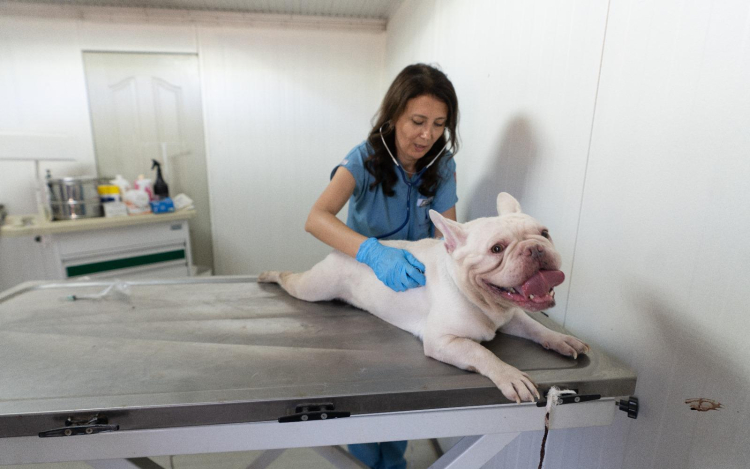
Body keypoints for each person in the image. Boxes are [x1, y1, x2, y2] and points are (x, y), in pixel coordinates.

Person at [305, 63, 460, 469]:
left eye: (439, 125)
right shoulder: (363, 158)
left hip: (411, 292)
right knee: (361, 390)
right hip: (360, 287)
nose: (427, 135)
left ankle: (393, 462)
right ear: (394, 116)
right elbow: (316, 218)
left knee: (401, 390)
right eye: (418, 122)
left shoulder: (442, 166)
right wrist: (373, 253)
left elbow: (449, 236)